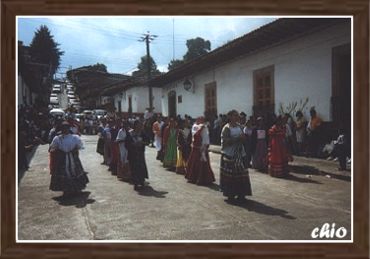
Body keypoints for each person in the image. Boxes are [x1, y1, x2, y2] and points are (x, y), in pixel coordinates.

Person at [49, 121, 89, 197]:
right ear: (61, 129)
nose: (65, 129)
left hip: (73, 158)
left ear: (69, 128)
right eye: (63, 128)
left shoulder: (75, 137)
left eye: (66, 127)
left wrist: (75, 149)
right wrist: (57, 151)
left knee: (75, 172)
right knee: (64, 174)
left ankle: (76, 189)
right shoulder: (57, 138)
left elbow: (80, 146)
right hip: (62, 159)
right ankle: (66, 190)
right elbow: (52, 148)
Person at [221, 110, 252, 202]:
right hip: (230, 154)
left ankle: (241, 194)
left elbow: (244, 139)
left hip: (240, 154)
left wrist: (244, 139)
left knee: (241, 174)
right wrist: (238, 139)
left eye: (237, 116)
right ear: (230, 117)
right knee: (231, 175)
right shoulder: (226, 128)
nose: (237, 117)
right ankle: (231, 194)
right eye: (234, 115)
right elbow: (225, 142)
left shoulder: (240, 127)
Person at [185, 116, 215, 185]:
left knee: (196, 163)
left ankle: (194, 178)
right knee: (198, 163)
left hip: (198, 147)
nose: (201, 121)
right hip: (199, 147)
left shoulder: (196, 127)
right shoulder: (201, 127)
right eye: (200, 120)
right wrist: (205, 145)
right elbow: (204, 137)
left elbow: (204, 137)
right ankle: (198, 178)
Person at [126, 120, 149, 190]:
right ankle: (135, 183)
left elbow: (148, 140)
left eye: (140, 125)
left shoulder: (142, 133)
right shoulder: (130, 133)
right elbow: (126, 143)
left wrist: (143, 143)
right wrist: (133, 145)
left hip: (140, 153)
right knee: (134, 168)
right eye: (138, 125)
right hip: (133, 154)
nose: (140, 126)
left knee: (141, 167)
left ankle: (141, 181)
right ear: (135, 125)